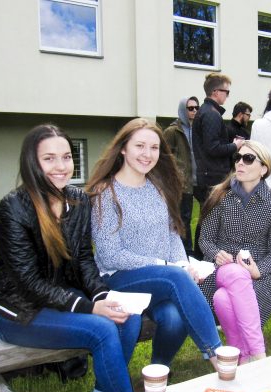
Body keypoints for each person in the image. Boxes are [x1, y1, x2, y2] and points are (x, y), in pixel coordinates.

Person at [0, 125, 141, 392]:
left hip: (58, 295)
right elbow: (28, 283)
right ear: (32, 163)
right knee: (103, 329)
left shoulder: (78, 200)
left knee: (127, 317)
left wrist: (101, 296)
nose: (61, 166)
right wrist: (89, 307)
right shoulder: (13, 207)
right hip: (17, 310)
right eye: (49, 158)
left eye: (67, 157)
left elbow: (84, 258)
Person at [86, 118, 223, 370]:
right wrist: (169, 267)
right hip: (119, 278)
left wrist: (182, 264)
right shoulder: (106, 193)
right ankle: (218, 356)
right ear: (123, 148)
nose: (147, 154)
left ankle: (157, 372)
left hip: (162, 280)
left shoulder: (157, 188)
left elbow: (171, 234)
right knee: (175, 276)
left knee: (174, 319)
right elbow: (109, 255)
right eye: (139, 146)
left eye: (154, 147)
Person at [198, 141, 271, 364]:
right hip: (220, 270)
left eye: (248, 159)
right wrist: (216, 253)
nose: (240, 163)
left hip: (257, 276)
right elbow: (205, 239)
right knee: (235, 273)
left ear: (264, 168)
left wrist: (258, 270)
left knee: (223, 299)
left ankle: (241, 356)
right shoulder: (220, 195)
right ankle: (258, 352)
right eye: (238, 158)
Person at [192, 73, 245, 206]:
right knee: (213, 215)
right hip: (213, 177)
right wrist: (235, 145)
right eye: (227, 92)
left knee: (209, 215)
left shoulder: (206, 111)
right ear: (215, 92)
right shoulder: (211, 114)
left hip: (208, 174)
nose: (228, 95)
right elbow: (213, 148)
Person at [163, 96, 200, 256]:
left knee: (188, 217)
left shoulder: (197, 130)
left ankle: (188, 251)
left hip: (195, 182)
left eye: (196, 108)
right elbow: (163, 157)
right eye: (190, 108)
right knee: (179, 219)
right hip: (179, 184)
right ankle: (184, 252)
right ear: (182, 110)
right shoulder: (172, 131)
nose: (194, 111)